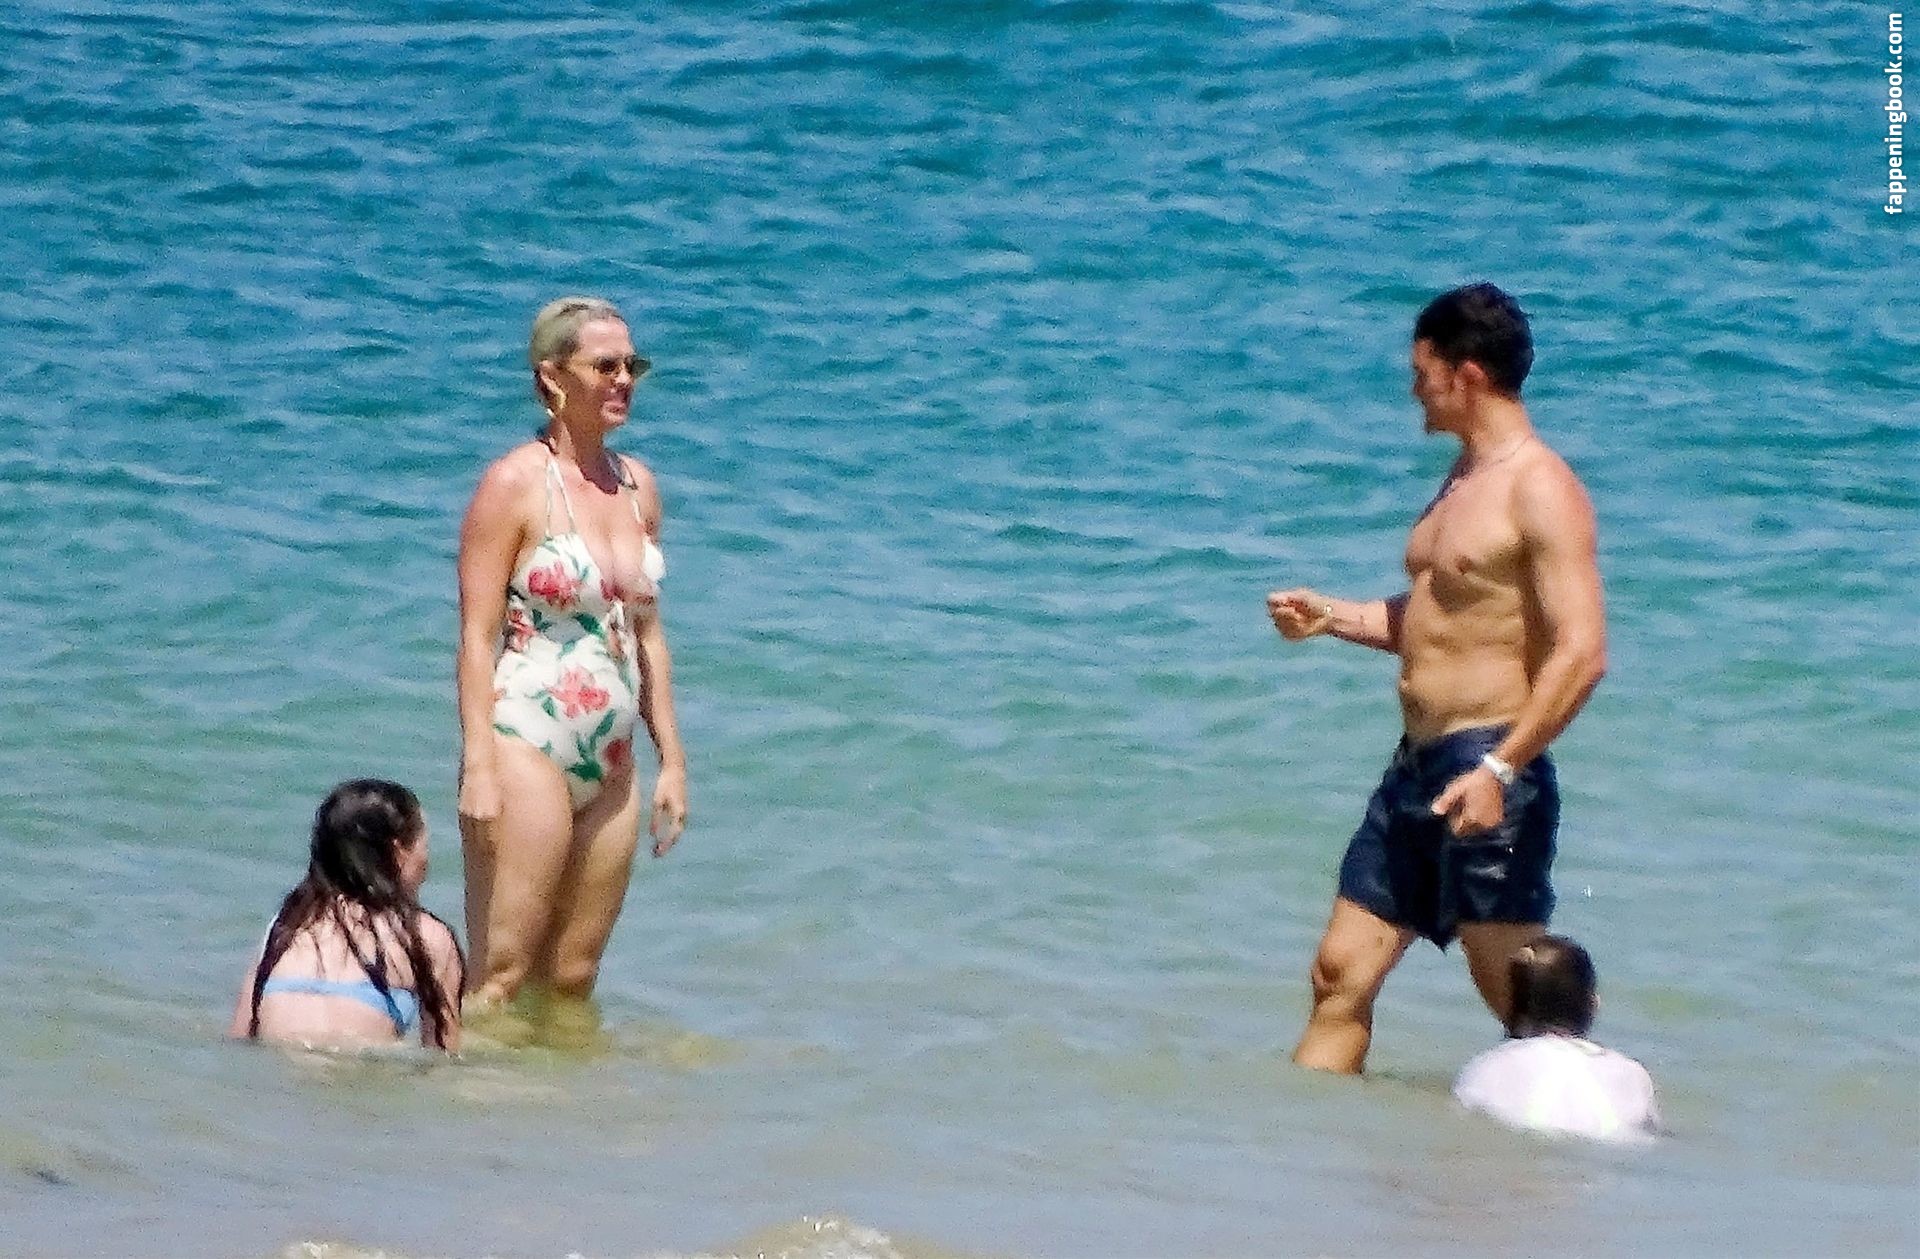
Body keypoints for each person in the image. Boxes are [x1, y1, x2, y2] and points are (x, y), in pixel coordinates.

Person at [1269, 282, 1607, 1075]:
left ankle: (1594, 1127)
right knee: (1338, 973)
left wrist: (1501, 769)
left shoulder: (1540, 486)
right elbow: (1440, 620)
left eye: (1422, 372)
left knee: (1522, 1001)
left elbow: (1583, 651)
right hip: (1414, 767)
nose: (1413, 389)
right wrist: (1333, 616)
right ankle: (1303, 1145)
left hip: (1488, 765)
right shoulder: (1462, 478)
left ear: (1467, 374)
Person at [455, 296, 689, 1010]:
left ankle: (562, 1087)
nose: (624, 380)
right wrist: (478, 766)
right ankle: (467, 1080)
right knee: (503, 970)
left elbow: (648, 634)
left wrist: (673, 762)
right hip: (526, 738)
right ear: (552, 377)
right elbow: (476, 636)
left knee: (573, 976)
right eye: (605, 366)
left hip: (613, 758)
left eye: (633, 367)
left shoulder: (638, 487)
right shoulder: (514, 484)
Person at [229, 779, 464, 1052]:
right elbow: (444, 1056)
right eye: (424, 846)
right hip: (358, 1070)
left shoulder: (286, 925)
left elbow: (239, 1037)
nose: (427, 861)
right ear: (399, 852)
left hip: (277, 1074)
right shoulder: (426, 936)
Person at [1452, 935, 1661, 1141]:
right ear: (1593, 1005)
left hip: (1529, 1144)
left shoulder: (1484, 1068)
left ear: (1513, 1006)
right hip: (1615, 1153)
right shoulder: (1633, 1074)